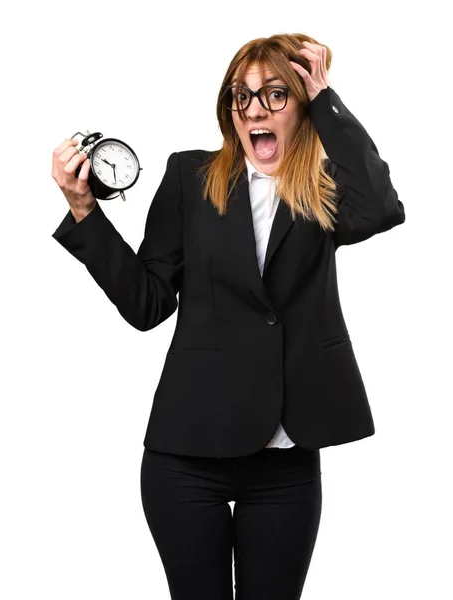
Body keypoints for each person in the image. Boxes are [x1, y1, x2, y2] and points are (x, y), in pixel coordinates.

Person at [51, 33, 405, 600]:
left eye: (274, 96)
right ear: (229, 110)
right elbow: (148, 305)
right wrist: (84, 211)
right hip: (187, 455)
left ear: (301, 107)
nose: (255, 110)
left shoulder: (324, 191)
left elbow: (384, 207)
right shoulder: (192, 178)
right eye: (242, 97)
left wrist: (325, 99)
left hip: (285, 461)